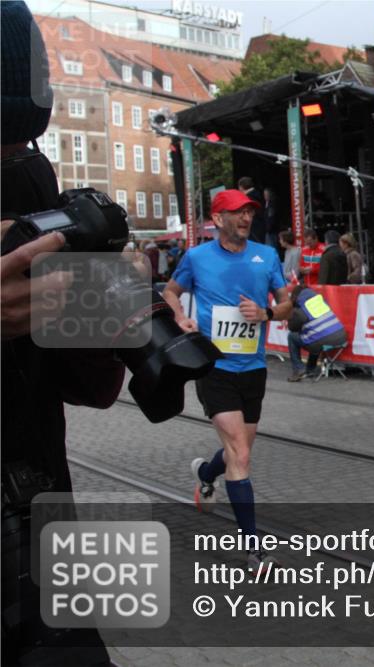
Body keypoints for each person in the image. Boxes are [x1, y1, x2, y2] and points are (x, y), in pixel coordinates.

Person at [1, 3, 125, 664]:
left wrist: (98, 311)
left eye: (18, 143)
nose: (11, 162)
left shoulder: (30, 178)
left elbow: (95, 386)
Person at [162, 189, 293, 571]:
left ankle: (205, 473)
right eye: (236, 212)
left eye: (249, 212)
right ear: (217, 220)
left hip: (253, 370)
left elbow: (287, 302)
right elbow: (171, 291)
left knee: (238, 452)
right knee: (242, 454)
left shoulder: (266, 256)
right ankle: (254, 548)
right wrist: (180, 318)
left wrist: (267, 312)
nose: (245, 218)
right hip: (215, 367)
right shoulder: (197, 257)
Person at [285, 283, 347, 382]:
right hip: (341, 337)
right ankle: (310, 369)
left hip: (323, 340)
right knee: (313, 335)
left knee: (292, 337)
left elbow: (292, 328)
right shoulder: (320, 301)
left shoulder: (300, 308)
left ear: (295, 297)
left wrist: (290, 314)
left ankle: (298, 369)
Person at [238, 176, 267, 243]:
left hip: (254, 229)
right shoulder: (258, 194)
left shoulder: (249, 198)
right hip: (260, 227)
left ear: (241, 187)